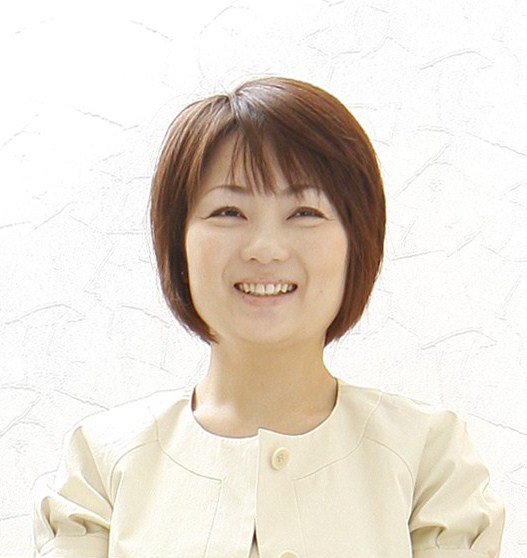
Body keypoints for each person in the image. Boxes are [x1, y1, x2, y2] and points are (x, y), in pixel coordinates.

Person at [34, 77, 505, 557]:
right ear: (177, 243)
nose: (265, 248)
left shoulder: (428, 454)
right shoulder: (102, 460)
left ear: (359, 241)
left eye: (304, 212)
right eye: (228, 212)